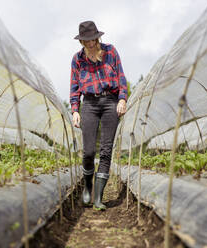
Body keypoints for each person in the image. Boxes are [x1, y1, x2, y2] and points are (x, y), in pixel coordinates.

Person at [70, 20, 127, 210]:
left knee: (106, 150)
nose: (90, 43)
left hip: (110, 101)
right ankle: (87, 186)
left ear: (97, 37)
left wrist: (122, 99)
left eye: (93, 39)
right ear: (81, 41)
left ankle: (98, 198)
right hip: (90, 104)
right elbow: (74, 87)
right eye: (86, 40)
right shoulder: (77, 59)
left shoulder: (111, 52)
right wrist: (75, 110)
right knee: (88, 152)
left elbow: (121, 77)